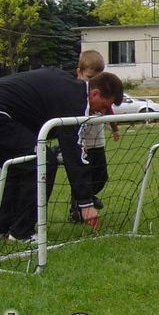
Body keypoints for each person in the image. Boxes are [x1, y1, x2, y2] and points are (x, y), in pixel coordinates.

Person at [0, 68, 123, 241]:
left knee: (20, 166)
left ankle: (5, 227)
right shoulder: (74, 102)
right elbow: (73, 151)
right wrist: (85, 204)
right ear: (95, 93)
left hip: (8, 116)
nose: (102, 112)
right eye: (104, 106)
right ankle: (21, 233)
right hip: (3, 115)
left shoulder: (70, 89)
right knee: (44, 163)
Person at [68, 50, 121, 223]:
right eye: (89, 77)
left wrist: (114, 129)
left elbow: (109, 109)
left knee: (101, 176)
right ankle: (77, 208)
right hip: (82, 144)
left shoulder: (101, 96)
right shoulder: (74, 96)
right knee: (83, 175)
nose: (91, 83)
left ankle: (87, 198)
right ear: (79, 73)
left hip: (97, 141)